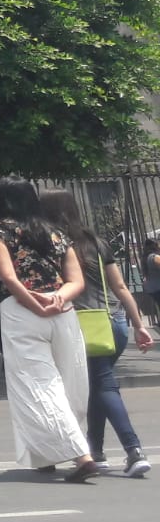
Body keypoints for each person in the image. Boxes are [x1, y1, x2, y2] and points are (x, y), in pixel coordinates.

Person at [0, 178, 97, 481]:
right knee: (72, 383)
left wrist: (34, 305)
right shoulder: (56, 232)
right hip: (63, 311)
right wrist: (58, 298)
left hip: (22, 311)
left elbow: (9, 278)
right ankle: (47, 454)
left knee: (37, 386)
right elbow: (76, 280)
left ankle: (81, 455)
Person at [40, 189, 153, 477]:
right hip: (113, 322)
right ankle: (97, 451)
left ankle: (134, 450)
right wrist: (139, 325)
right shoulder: (96, 242)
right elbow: (120, 287)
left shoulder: (54, 245)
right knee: (95, 386)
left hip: (83, 326)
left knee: (103, 386)